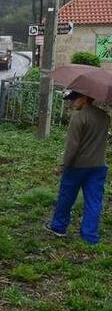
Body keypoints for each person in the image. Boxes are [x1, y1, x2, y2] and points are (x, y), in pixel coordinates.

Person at [45, 91, 109, 245]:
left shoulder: (78, 117)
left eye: (74, 99)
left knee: (66, 197)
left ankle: (58, 227)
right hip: (99, 165)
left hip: (77, 166)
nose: (72, 103)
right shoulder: (105, 117)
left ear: (85, 99)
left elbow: (72, 147)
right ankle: (90, 236)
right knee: (94, 201)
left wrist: (65, 164)